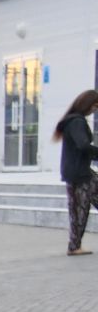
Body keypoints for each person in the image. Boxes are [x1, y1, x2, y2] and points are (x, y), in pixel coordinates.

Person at [52, 90, 97, 256]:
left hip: (78, 171)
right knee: (79, 209)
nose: (95, 110)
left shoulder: (72, 121)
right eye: (94, 106)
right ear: (87, 105)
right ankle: (74, 246)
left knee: (78, 208)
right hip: (78, 173)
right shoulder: (77, 122)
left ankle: (74, 245)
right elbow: (83, 145)